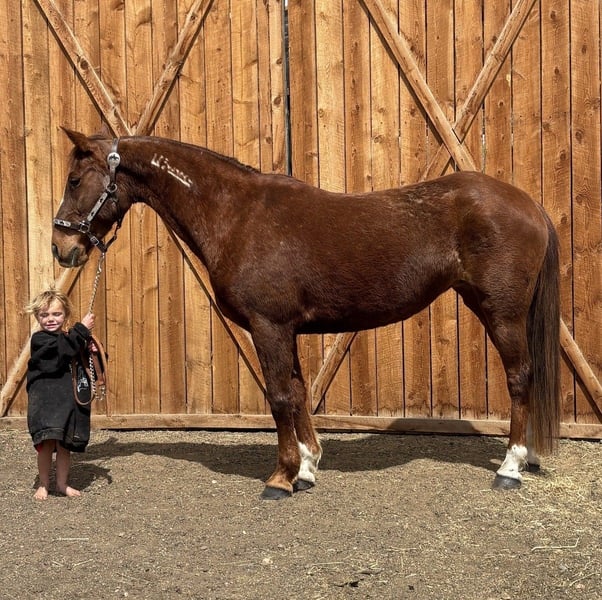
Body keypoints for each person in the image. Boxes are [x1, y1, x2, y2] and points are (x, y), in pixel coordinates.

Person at [25, 288, 96, 500]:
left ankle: (62, 483)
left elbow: (80, 358)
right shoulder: (40, 340)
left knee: (65, 445)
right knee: (46, 444)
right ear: (37, 316)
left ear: (65, 315)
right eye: (44, 315)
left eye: (56, 314)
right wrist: (81, 330)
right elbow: (60, 351)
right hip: (45, 402)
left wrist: (90, 349)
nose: (50, 319)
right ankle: (43, 484)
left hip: (66, 401)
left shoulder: (69, 339)